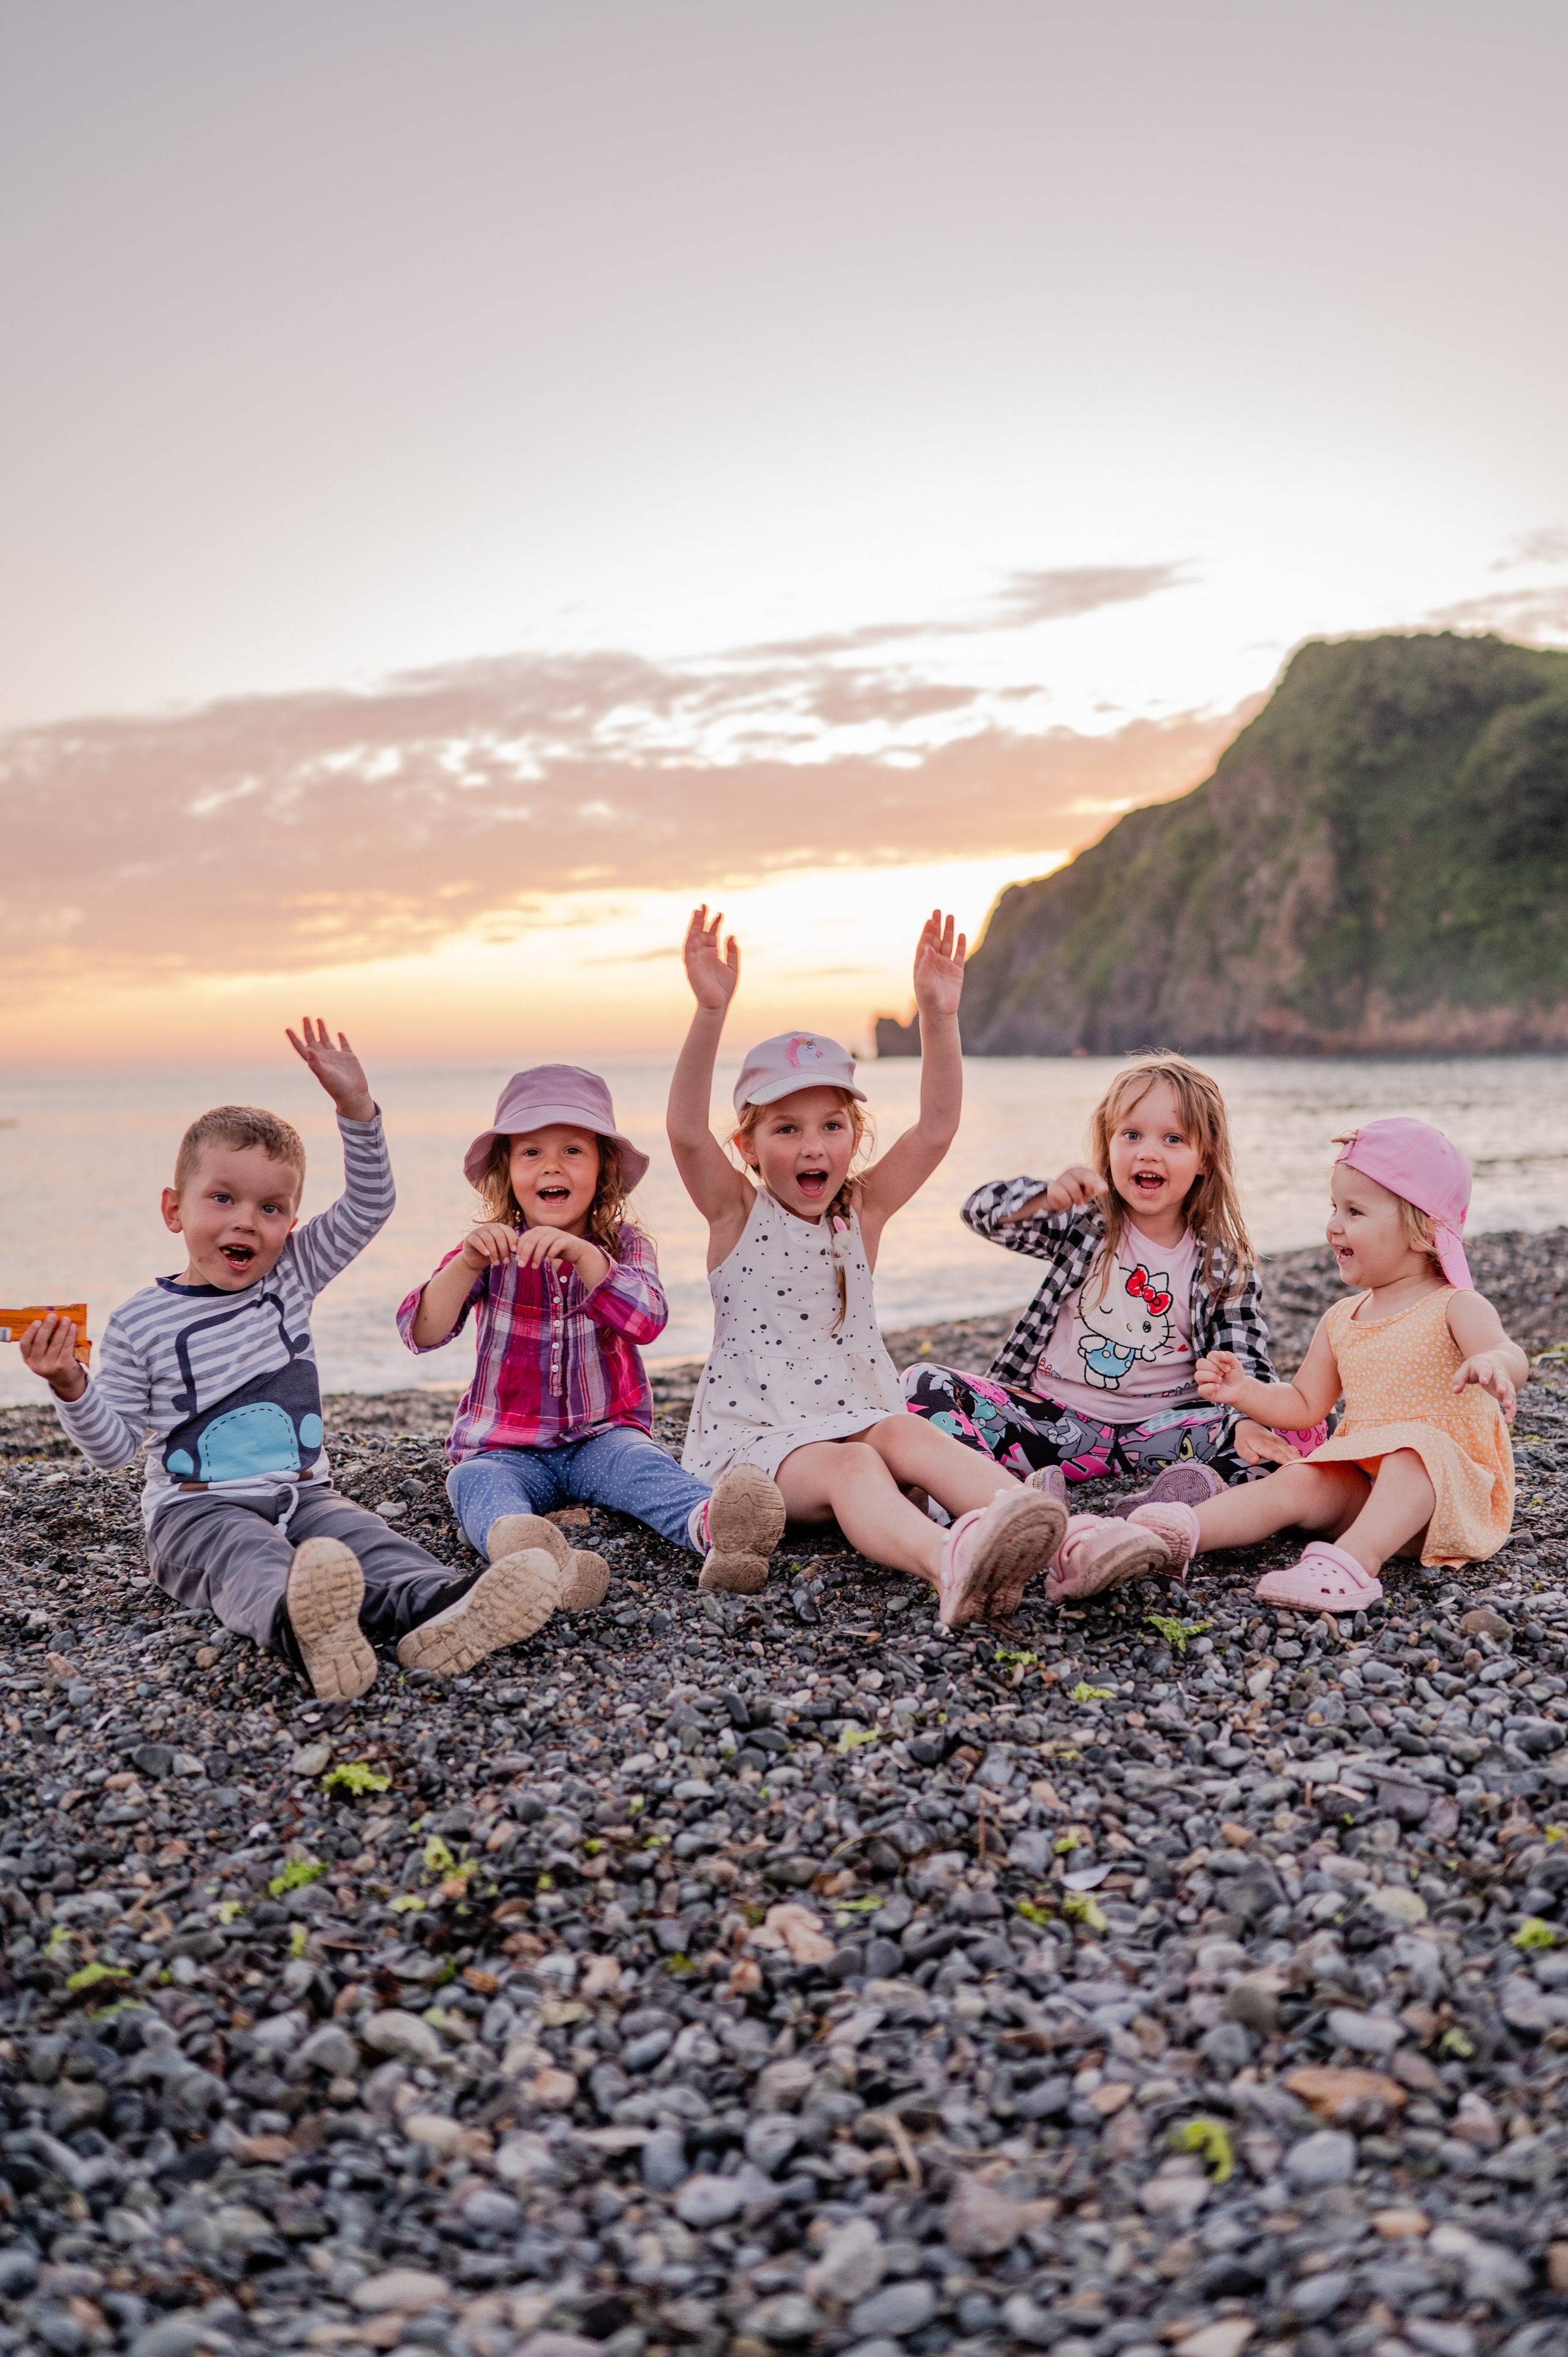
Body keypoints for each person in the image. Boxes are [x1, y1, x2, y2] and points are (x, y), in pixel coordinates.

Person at [20, 1022, 565, 1700]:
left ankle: (441, 1610)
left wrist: (356, 1109)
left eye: (271, 1207)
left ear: (291, 1223)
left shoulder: (292, 1274)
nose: (247, 1220)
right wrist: (70, 1383)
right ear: (173, 1208)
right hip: (196, 1512)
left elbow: (371, 1203)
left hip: (303, 1494)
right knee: (247, 1559)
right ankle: (305, 1625)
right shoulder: (139, 1321)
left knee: (364, 1535)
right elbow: (111, 1449)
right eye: (223, 1197)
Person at [666, 904, 1080, 1626]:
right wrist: (709, 1010)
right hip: (760, 1448)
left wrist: (937, 1014)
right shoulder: (735, 1214)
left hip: (855, 1417)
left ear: (854, 1134)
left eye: (831, 1126)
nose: (812, 1147)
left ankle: (1057, 1537)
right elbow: (682, 1130)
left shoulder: (862, 1211)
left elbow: (937, 1127)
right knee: (857, 1464)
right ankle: (951, 1561)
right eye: (786, 1129)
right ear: (748, 1145)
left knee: (909, 1430)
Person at [903, 1055, 1324, 1572]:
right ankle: (1020, 1501)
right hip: (1057, 1425)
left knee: (1290, 1435)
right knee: (923, 1382)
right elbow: (979, 1211)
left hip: (1165, 1431)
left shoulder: (1221, 1260)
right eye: (1131, 1135)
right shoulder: (1084, 1222)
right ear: (1107, 1145)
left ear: (1205, 1159)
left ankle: (1162, 1508)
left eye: (1173, 1139)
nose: (1149, 1152)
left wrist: (1245, 1421)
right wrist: (1044, 1197)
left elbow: (1245, 1364)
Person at [1094, 1117, 1521, 1612]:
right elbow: (1302, 1405)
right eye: (1334, 1208)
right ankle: (1176, 1533)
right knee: (1299, 1478)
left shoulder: (1455, 1305)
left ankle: (1354, 1565)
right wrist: (1246, 1393)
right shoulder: (1343, 1319)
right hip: (1368, 1495)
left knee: (1413, 1451)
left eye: (1355, 1211)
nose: (1334, 1225)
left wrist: (1493, 1364)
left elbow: (1510, 1353)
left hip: (1450, 1497)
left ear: (1421, 1228)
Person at [399, 1066, 785, 1596]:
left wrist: (586, 1257)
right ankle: (539, 1562)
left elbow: (647, 1321)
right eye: (530, 1152)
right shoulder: (490, 1250)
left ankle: (720, 1533)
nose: (551, 1166)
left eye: (572, 1151)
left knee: (646, 1469)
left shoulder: (625, 1246)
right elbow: (422, 1332)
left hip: (603, 1439)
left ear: (602, 1168)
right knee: (472, 1483)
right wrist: (465, 1265)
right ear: (507, 1171)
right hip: (505, 1449)